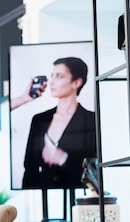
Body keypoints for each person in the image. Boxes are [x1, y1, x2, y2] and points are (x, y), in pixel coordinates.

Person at [21, 57, 96, 189]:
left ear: (76, 82)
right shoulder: (39, 120)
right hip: (42, 191)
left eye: (59, 76)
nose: (52, 82)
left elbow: (94, 168)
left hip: (79, 190)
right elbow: (29, 167)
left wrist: (63, 159)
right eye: (52, 76)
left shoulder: (91, 120)